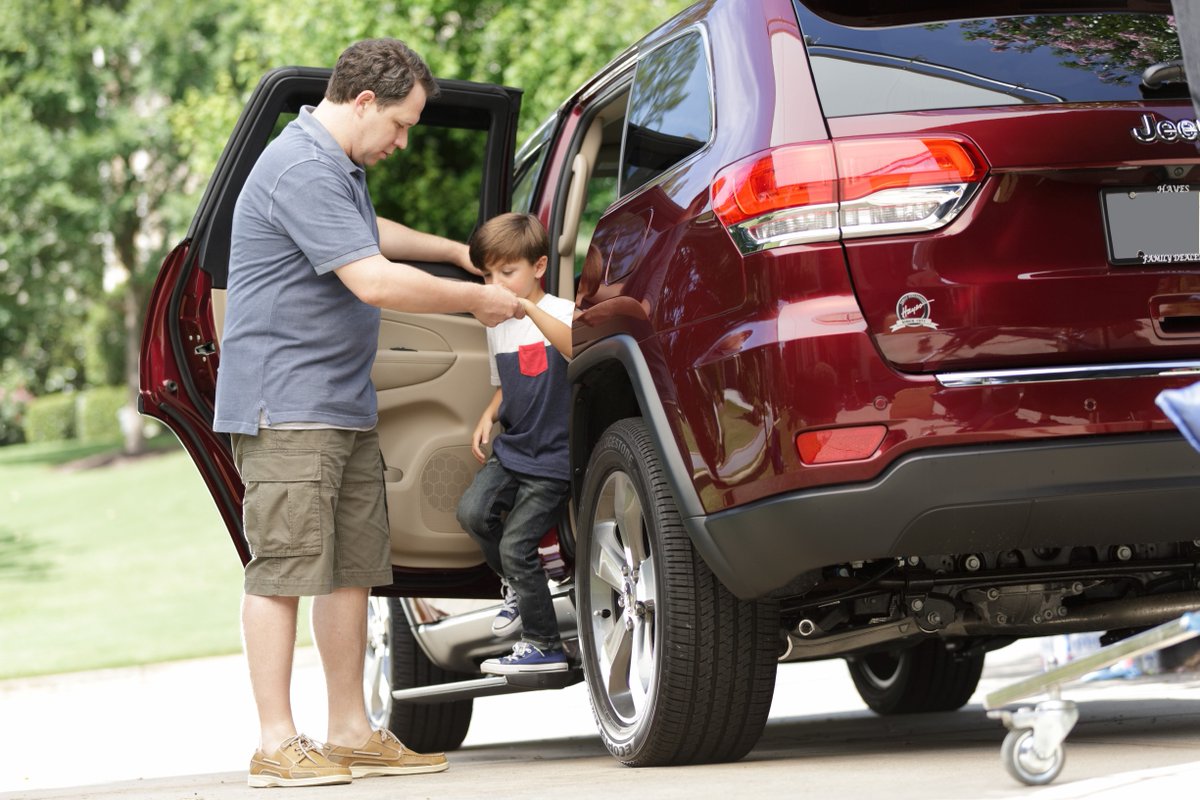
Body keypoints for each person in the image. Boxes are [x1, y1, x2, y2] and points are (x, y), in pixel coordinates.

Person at [212, 38, 522, 788]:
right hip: (286, 404)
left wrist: (455, 252)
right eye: (403, 124)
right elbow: (374, 280)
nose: (404, 140)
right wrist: (478, 298)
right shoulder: (302, 165)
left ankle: (350, 730)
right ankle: (275, 742)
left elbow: (371, 235)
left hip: (338, 402)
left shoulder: (336, 167)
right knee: (283, 569)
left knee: (351, 570)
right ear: (362, 103)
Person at [455, 213, 575, 674]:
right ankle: (518, 585)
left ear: (539, 266)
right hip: (514, 446)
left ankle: (544, 644)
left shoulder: (561, 312)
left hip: (553, 456)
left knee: (516, 546)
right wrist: (488, 414)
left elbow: (573, 349)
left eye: (508, 272)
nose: (497, 284)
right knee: (472, 512)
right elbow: (506, 382)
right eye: (487, 275)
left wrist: (530, 311)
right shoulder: (496, 325)